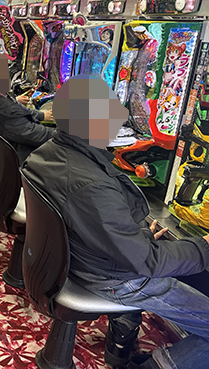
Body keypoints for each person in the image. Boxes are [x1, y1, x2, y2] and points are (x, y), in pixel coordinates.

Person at [22, 74, 209, 369]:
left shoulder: (49, 152)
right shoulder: (90, 184)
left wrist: (130, 235)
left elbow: (98, 221)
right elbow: (146, 262)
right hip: (115, 277)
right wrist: (204, 247)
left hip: (86, 259)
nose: (121, 116)